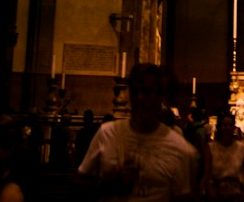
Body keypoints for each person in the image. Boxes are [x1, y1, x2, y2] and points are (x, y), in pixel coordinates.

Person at [77, 62, 198, 200]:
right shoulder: (108, 133)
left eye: (147, 92)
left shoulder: (178, 148)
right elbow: (81, 184)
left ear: (160, 96)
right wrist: (110, 182)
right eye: (135, 91)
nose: (139, 98)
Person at [204, 110, 244, 201]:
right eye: (224, 125)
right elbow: (207, 174)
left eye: (230, 125)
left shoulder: (242, 148)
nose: (228, 128)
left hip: (236, 194)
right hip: (216, 193)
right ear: (219, 127)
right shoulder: (211, 148)